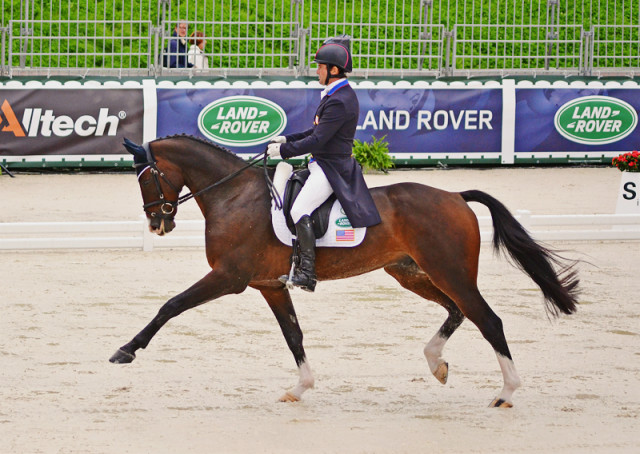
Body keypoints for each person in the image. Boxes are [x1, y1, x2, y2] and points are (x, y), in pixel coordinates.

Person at [267, 36, 381, 293]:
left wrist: (284, 151)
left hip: (332, 169)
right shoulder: (336, 94)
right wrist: (286, 138)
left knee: (299, 210)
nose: (316, 70)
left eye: (320, 66)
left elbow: (318, 140)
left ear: (334, 70)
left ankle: (307, 273)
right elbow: (315, 130)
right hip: (322, 163)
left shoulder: (340, 100)